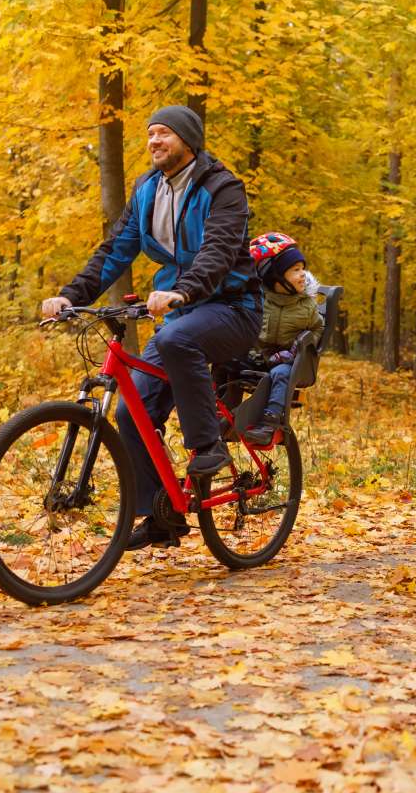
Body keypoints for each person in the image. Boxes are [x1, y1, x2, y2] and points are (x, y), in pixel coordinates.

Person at [40, 106, 262, 551]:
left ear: (188, 140)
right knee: (130, 410)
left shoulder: (223, 188)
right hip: (180, 312)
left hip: (233, 309)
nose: (154, 142)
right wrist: (72, 294)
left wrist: (183, 290)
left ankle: (208, 449)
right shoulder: (147, 190)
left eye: (164, 134)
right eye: (150, 135)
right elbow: (115, 251)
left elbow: (218, 252)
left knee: (176, 337)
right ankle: (162, 515)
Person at [239, 233, 325, 445]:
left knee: (280, 374)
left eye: (302, 268)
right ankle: (223, 413)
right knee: (229, 363)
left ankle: (272, 421)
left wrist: (301, 346)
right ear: (274, 277)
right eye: (296, 270)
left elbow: (317, 328)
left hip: (290, 360)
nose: (303, 274)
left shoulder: (305, 306)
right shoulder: (261, 300)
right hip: (260, 355)